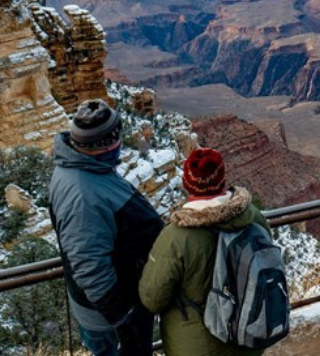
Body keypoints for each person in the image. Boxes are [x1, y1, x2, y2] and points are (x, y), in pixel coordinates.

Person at [49, 99, 163, 356]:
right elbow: (90, 268)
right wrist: (123, 320)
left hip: (114, 306)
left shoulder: (84, 167)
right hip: (109, 318)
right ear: (108, 142)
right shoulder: (82, 196)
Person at [139, 148, 270, 356]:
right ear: (223, 179)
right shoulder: (253, 217)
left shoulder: (174, 238)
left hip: (199, 346)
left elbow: (152, 299)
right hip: (250, 334)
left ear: (187, 185)